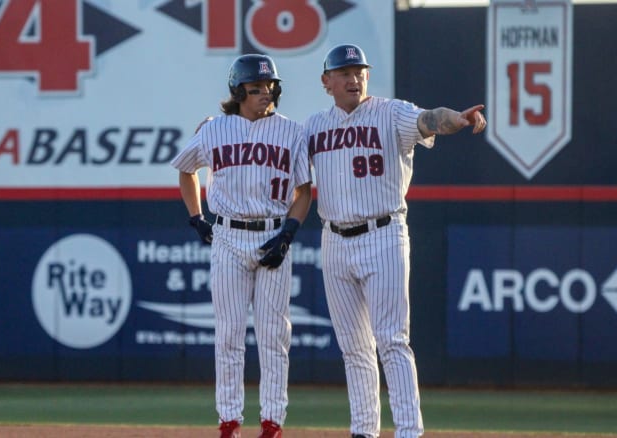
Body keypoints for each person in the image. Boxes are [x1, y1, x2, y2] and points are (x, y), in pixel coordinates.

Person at [303, 43, 487, 438]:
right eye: (345, 73)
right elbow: (276, 152)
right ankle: (364, 430)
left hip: (383, 233)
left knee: (392, 339)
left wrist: (456, 118)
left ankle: (408, 431)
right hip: (334, 238)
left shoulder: (391, 112)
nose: (354, 79)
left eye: (360, 72)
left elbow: (430, 120)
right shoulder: (314, 126)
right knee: (354, 348)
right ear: (327, 82)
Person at [171, 54, 312, 438]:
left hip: (272, 232)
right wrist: (196, 216)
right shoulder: (215, 129)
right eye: (256, 88)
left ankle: (272, 422)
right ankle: (229, 421)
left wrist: (287, 234)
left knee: (273, 336)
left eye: (270, 87)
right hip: (229, 236)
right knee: (230, 334)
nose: (265, 92)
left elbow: (304, 191)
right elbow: (186, 168)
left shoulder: (292, 131)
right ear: (237, 92)